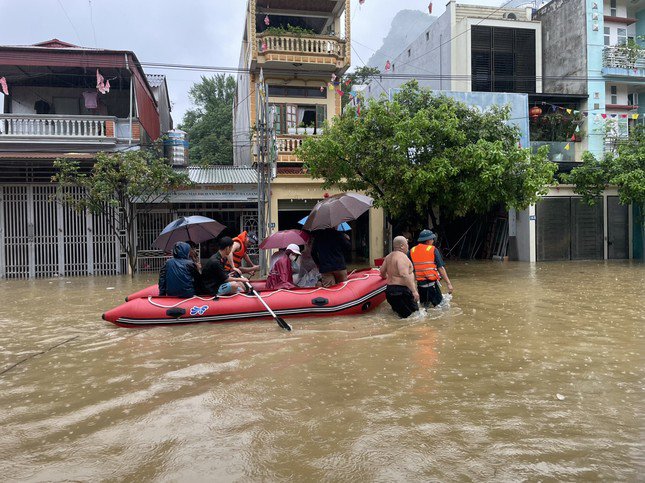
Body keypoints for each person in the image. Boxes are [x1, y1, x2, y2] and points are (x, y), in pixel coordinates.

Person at [409, 229, 453, 308]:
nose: (433, 240)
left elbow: (408, 270)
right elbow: (441, 268)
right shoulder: (433, 250)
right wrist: (449, 284)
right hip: (432, 286)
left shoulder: (412, 250)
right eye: (432, 239)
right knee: (441, 308)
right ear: (428, 241)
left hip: (420, 286)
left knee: (424, 308)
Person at [379, 236, 419, 318]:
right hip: (402, 292)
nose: (408, 245)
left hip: (390, 291)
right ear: (402, 246)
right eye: (407, 244)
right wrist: (414, 291)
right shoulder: (402, 257)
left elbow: (382, 272)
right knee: (415, 316)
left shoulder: (388, 257)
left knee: (399, 317)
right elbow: (404, 274)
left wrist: (386, 277)